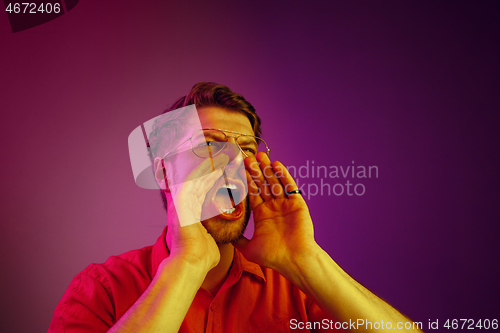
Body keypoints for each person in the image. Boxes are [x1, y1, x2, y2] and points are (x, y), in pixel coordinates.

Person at [48, 82, 422, 332]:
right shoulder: (102, 288)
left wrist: (307, 258)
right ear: (163, 172)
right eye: (209, 145)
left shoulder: (297, 289)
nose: (235, 162)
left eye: (245, 149)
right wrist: (187, 264)